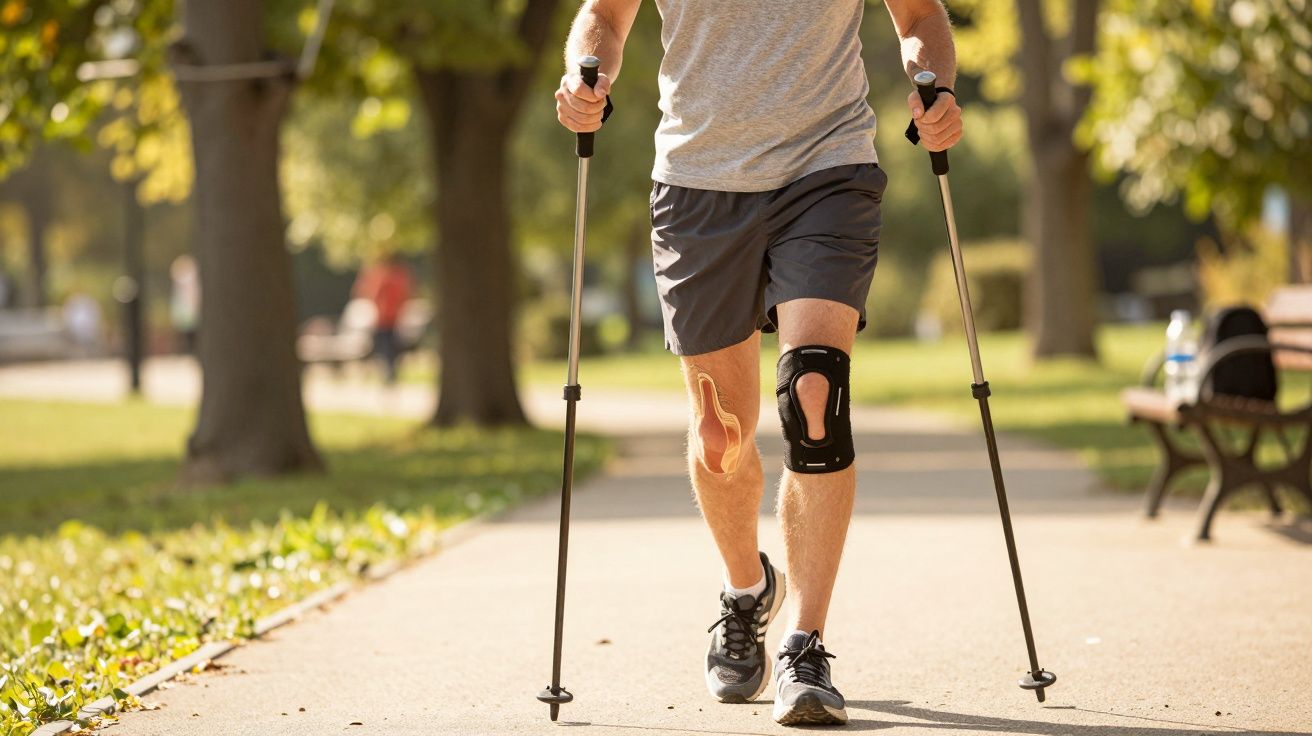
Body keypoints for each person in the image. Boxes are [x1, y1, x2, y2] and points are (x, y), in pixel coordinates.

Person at [556, 0, 963, 727]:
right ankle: (747, 590)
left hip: (827, 172)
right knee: (721, 436)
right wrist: (588, 77)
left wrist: (934, 81)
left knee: (816, 396)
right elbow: (604, 18)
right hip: (696, 186)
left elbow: (920, 15)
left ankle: (806, 644)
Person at [352, 253, 414, 384]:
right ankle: (388, 372)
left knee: (383, 347)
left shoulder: (385, 277)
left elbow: (372, 294)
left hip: (385, 319)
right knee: (389, 347)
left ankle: (386, 373)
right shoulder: (401, 277)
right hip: (393, 318)